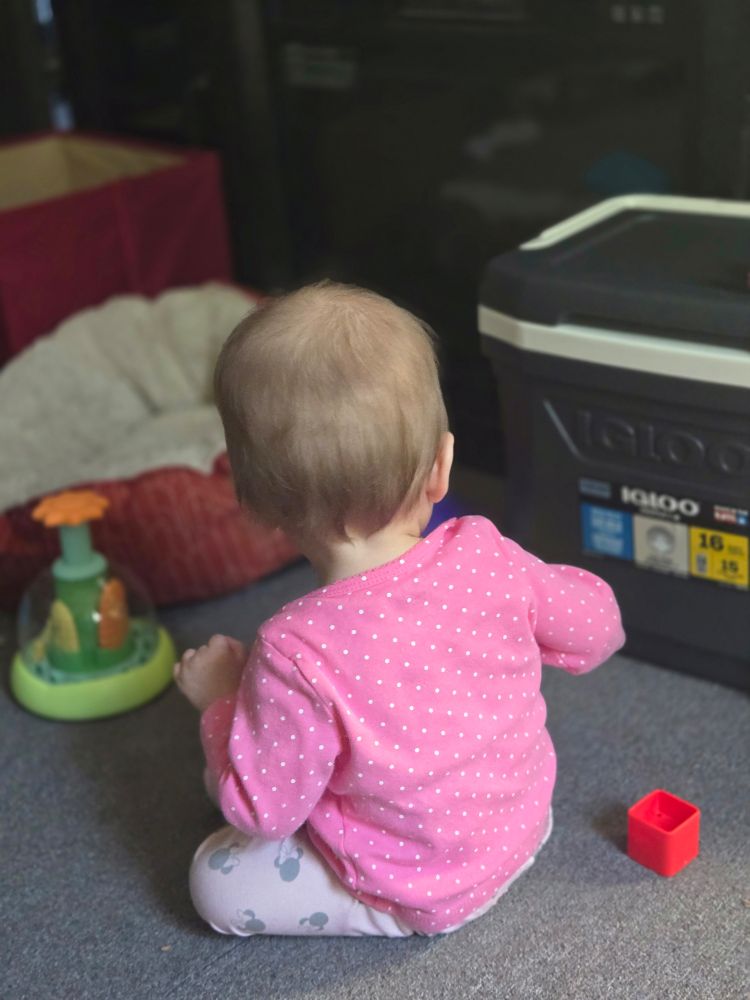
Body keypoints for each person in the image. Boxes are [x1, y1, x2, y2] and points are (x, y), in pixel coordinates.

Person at [174, 281, 625, 937]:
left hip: (415, 892)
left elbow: (260, 810)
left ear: (260, 507)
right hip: (526, 826)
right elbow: (597, 628)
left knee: (215, 880)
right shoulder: (487, 555)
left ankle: (383, 910)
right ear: (441, 469)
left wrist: (221, 702)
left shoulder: (292, 652)